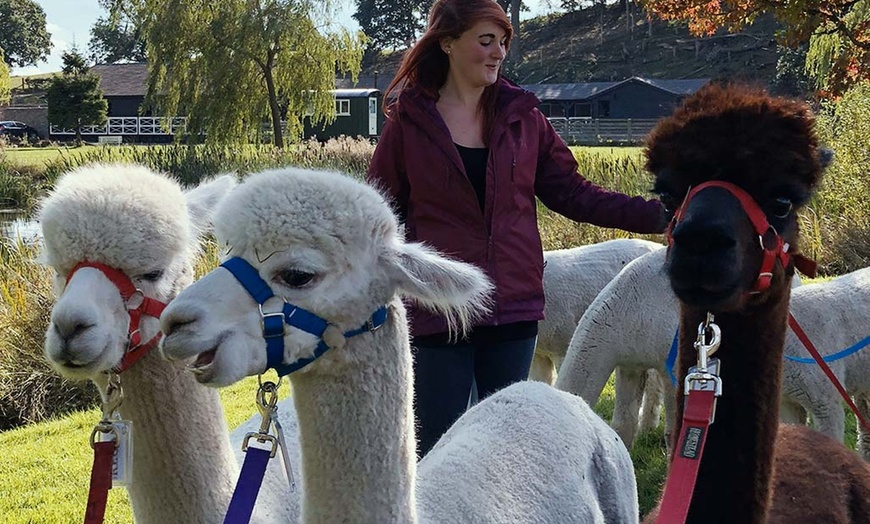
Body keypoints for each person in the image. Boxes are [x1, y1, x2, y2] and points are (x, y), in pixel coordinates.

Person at [367, 0, 668, 458]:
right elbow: (378, 217)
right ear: (447, 43)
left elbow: (574, 193)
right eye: (485, 40)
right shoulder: (408, 124)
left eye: (503, 42)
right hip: (438, 310)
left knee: (507, 453)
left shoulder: (524, 118)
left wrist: (662, 215)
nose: (498, 52)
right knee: (436, 452)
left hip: (512, 309)